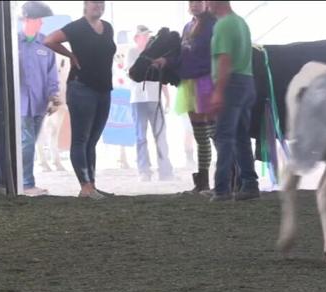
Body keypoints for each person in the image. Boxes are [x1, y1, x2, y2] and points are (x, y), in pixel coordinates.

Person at [44, 1, 116, 199]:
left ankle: (92, 185)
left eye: (101, 2)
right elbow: (49, 40)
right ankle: (85, 186)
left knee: (92, 140)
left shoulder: (107, 27)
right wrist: (70, 54)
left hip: (104, 88)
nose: (98, 6)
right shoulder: (77, 27)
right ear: (86, 5)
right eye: (94, 2)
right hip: (82, 87)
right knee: (81, 139)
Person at [154, 1, 217, 194]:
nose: (194, 4)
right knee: (200, 135)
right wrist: (166, 61)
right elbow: (183, 57)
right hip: (189, 83)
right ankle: (203, 182)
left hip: (207, 81)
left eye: (198, 1)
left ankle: (229, 177)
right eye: (192, 2)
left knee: (215, 134)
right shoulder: (188, 26)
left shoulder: (214, 25)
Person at [206, 1, 258, 201]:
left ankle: (222, 189)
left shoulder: (223, 25)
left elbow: (225, 59)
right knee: (241, 136)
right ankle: (250, 184)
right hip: (247, 80)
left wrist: (218, 91)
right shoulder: (241, 23)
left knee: (224, 136)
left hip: (231, 83)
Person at [18, 1, 58, 196]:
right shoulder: (14, 43)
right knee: (26, 142)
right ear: (27, 19)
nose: (42, 23)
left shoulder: (46, 44)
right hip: (20, 104)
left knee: (30, 143)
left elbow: (52, 74)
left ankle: (23, 181)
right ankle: (26, 183)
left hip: (40, 103)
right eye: (38, 19)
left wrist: (54, 96)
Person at [127, 25, 174, 183]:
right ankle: (144, 170)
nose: (147, 38)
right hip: (138, 98)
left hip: (155, 96)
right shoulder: (132, 52)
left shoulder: (156, 51)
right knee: (141, 136)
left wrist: (167, 97)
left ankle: (165, 170)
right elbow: (133, 73)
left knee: (160, 134)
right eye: (144, 35)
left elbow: (162, 75)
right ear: (136, 38)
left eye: (148, 35)